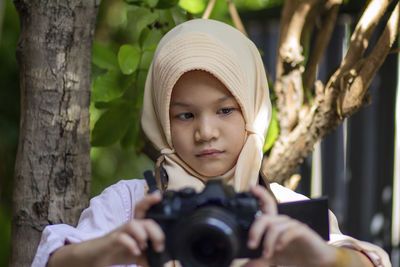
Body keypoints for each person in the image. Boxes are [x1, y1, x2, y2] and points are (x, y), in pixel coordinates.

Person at [32, 19, 391, 267]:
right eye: (184, 115)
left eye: (224, 110)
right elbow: (53, 259)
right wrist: (110, 249)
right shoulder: (131, 206)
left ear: (252, 109)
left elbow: (365, 260)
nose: (206, 132)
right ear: (161, 119)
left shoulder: (284, 211)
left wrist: (320, 257)